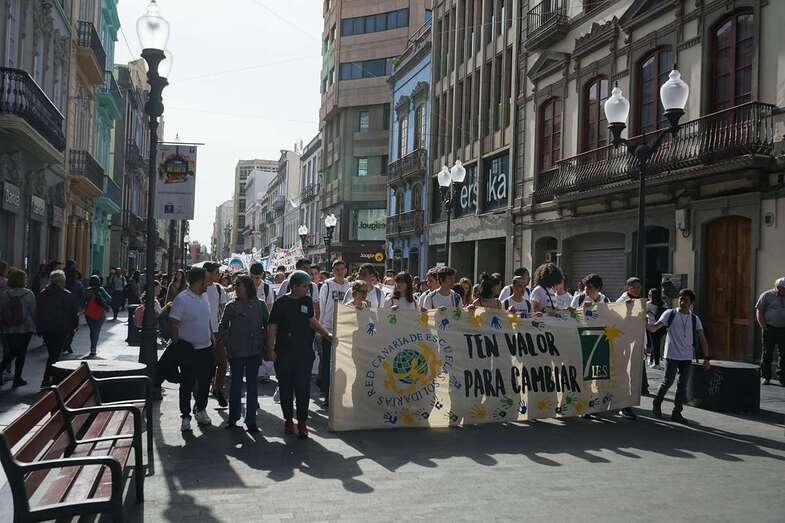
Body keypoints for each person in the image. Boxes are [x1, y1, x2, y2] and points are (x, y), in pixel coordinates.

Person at [267, 271, 333, 438]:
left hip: (304, 353)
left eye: (307, 286)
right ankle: (289, 420)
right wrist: (271, 349)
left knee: (303, 388)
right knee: (286, 388)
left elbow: (312, 321)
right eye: (304, 286)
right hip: (284, 353)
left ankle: (302, 422)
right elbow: (272, 326)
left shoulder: (307, 301)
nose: (306, 289)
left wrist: (328, 335)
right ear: (294, 286)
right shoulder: (281, 303)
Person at [647, 289, 711, 424]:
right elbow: (654, 328)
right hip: (671, 355)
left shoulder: (695, 319)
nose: (682, 302)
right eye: (681, 299)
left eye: (686, 300)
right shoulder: (670, 314)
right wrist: (643, 322)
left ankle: (677, 412)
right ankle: (657, 403)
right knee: (668, 382)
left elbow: (702, 338)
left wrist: (706, 357)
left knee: (682, 385)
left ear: (691, 303)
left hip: (687, 356)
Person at [219, 275, 269, 433]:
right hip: (236, 352)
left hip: (254, 351)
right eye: (235, 285)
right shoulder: (230, 306)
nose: (236, 288)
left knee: (252, 386)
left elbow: (267, 326)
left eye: (238, 285)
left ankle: (251, 420)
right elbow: (222, 327)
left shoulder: (260, 305)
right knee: (235, 385)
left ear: (247, 287)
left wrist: (266, 345)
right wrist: (229, 342)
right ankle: (233, 417)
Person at [169, 267, 215, 432]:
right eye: (207, 281)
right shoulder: (182, 299)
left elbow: (206, 318)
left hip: (206, 348)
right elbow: (173, 322)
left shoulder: (204, 297)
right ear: (199, 281)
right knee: (187, 383)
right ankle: (185, 417)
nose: (209, 284)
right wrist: (177, 343)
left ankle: (200, 409)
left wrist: (211, 336)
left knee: (205, 382)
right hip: (188, 349)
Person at [37, 270, 78, 388]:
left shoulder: (43, 293)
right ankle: (48, 380)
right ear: (61, 281)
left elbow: (38, 312)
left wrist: (39, 327)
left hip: (47, 329)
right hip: (61, 329)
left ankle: (50, 379)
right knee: (54, 354)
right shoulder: (67, 294)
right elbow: (73, 313)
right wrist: (74, 326)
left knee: (52, 353)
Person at [318, 259, 352, 402]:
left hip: (344, 330)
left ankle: (339, 392)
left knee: (342, 363)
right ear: (333, 271)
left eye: (342, 269)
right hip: (328, 329)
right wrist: (320, 330)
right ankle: (326, 393)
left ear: (346, 270)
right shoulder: (327, 286)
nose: (340, 272)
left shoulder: (350, 287)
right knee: (326, 362)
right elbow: (321, 307)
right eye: (337, 269)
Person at [0, 268, 36, 387]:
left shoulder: (5, 294)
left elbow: (2, 310)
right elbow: (33, 311)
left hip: (8, 328)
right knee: (21, 353)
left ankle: (2, 371)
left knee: (11, 351)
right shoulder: (29, 294)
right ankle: (17, 377)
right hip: (26, 327)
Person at [203, 262, 229, 407]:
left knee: (223, 364)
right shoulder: (200, 288)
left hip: (217, 332)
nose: (218, 275)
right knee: (205, 366)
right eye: (216, 272)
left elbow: (223, 310)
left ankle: (217, 389)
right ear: (207, 273)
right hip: (203, 333)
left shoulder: (219, 289)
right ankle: (200, 397)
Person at [755, 277, 785, 386]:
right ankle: (766, 377)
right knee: (767, 353)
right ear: (777, 287)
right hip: (770, 328)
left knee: (784, 354)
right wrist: (763, 326)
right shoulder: (767, 295)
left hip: (783, 329)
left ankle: (782, 378)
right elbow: (759, 311)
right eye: (783, 289)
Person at [84, 275, 112, 358]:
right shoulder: (101, 290)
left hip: (89, 314)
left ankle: (93, 347)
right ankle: (93, 349)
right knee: (96, 331)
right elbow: (109, 299)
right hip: (100, 314)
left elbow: (83, 302)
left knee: (92, 331)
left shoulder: (87, 291)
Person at [647, 288, 667, 368]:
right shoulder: (663, 304)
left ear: (651, 295)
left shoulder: (648, 304)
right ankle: (652, 360)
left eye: (649, 294)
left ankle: (657, 363)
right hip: (662, 327)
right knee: (655, 343)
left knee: (655, 344)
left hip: (652, 326)